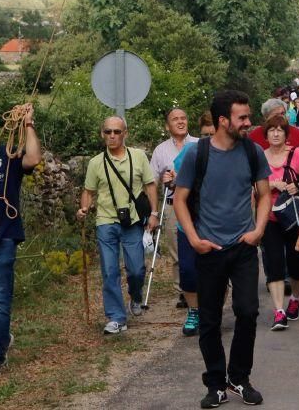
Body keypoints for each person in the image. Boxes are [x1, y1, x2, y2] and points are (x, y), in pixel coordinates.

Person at [172, 90, 271, 408]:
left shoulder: (253, 151)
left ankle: (239, 378)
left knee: (248, 311)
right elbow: (179, 199)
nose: (248, 122)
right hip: (209, 249)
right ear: (223, 121)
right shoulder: (196, 154)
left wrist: (258, 230)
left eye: (248, 116)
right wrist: (193, 238)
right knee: (210, 320)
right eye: (242, 117)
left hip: (243, 247)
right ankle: (215, 384)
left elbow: (265, 194)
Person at [0, 106, 41, 381]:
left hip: (3, 235)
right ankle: (1, 336)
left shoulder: (7, 153)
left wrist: (28, 125)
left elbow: (33, 159)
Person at [78, 116, 159, 335]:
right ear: (101, 134)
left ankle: (136, 294)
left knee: (136, 269)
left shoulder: (138, 156)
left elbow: (150, 185)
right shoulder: (96, 162)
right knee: (110, 270)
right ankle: (116, 317)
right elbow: (89, 191)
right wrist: (84, 208)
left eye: (116, 131)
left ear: (125, 133)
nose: (112, 136)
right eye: (107, 132)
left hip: (132, 221)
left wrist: (153, 213)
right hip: (105, 221)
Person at [261, 114, 299, 331]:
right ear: (266, 134)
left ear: (286, 134)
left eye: (280, 130)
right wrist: (271, 185)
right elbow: (252, 187)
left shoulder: (297, 154)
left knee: (297, 263)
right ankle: (279, 311)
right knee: (273, 264)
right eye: (271, 130)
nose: (275, 133)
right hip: (269, 217)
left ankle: (295, 299)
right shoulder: (260, 157)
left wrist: (297, 186)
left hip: (293, 218)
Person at [170, 111, 216, 338]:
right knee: (188, 270)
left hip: (216, 222)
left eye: (212, 133)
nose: (208, 138)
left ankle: (212, 313)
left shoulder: (230, 153)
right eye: (205, 134)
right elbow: (177, 176)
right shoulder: (192, 150)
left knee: (216, 272)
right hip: (189, 220)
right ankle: (194, 311)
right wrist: (171, 178)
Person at [150, 107, 199, 310]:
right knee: (177, 251)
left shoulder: (199, 144)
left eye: (183, 118)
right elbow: (152, 179)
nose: (180, 122)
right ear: (167, 125)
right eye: (175, 119)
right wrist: (163, 179)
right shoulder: (161, 150)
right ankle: (182, 291)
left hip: (198, 205)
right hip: (171, 205)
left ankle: (202, 287)